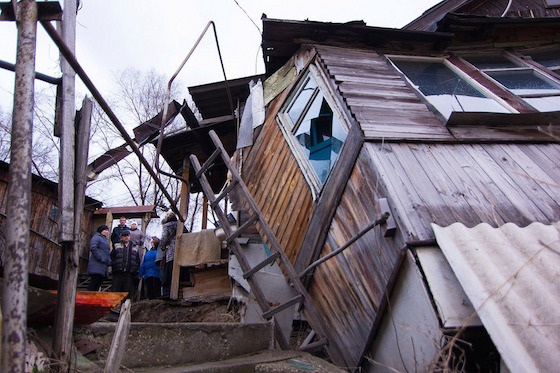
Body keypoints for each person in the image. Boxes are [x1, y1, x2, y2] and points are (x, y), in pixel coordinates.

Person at [111, 229, 141, 299]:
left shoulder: (135, 247)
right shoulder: (116, 245)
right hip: (118, 271)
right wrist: (114, 265)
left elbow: (137, 259)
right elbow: (112, 257)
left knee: (127, 291)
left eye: (127, 235)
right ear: (121, 237)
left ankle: (125, 307)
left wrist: (135, 269)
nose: (126, 237)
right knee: (116, 289)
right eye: (124, 236)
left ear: (130, 236)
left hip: (129, 272)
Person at [86, 225, 111, 291]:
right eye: (105, 230)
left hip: (103, 266)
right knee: (94, 282)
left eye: (107, 230)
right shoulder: (96, 237)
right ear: (101, 231)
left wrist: (108, 261)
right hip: (96, 264)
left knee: (98, 283)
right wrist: (100, 258)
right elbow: (93, 247)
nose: (107, 232)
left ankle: (94, 298)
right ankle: (89, 297)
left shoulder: (104, 239)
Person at [160, 212, 179, 299]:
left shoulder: (167, 226)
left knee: (167, 273)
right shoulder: (180, 225)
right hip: (180, 252)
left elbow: (164, 239)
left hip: (170, 251)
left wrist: (162, 246)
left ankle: (167, 293)